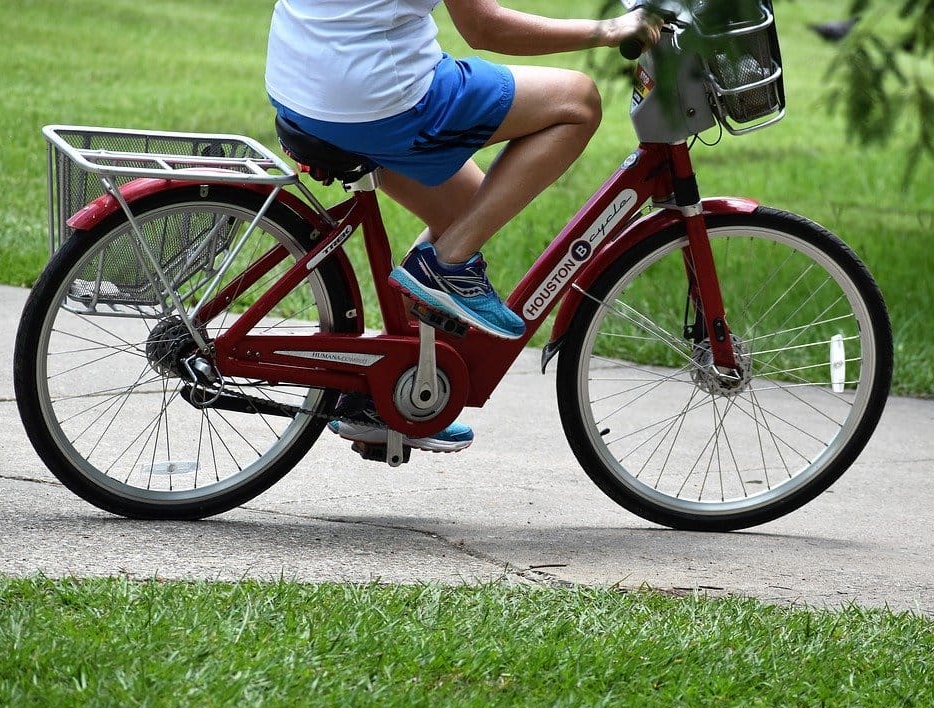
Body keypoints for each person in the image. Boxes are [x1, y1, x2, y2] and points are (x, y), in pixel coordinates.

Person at [265, 0, 660, 452]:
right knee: (578, 100)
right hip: (374, 94)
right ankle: (446, 265)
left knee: (468, 212)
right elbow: (485, 28)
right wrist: (609, 30)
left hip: (299, 82)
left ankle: (391, 396)